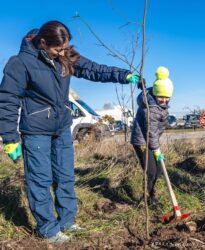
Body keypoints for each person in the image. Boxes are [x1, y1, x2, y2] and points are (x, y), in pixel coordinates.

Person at [0, 21, 141, 243]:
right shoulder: (20, 63)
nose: (62, 53)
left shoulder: (65, 55)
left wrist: (123, 75)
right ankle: (48, 229)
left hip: (62, 127)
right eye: (58, 49)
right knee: (40, 179)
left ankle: (67, 221)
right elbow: (7, 100)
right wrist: (9, 137)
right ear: (43, 42)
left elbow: (93, 69)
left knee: (65, 176)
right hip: (36, 131)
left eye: (65, 48)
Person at [131, 66, 173, 205]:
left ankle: (150, 194)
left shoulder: (159, 106)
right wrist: (156, 150)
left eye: (167, 97)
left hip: (151, 140)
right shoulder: (152, 109)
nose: (164, 100)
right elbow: (151, 131)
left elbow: (155, 131)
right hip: (142, 141)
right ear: (155, 94)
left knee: (160, 168)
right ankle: (147, 198)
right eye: (161, 96)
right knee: (151, 171)